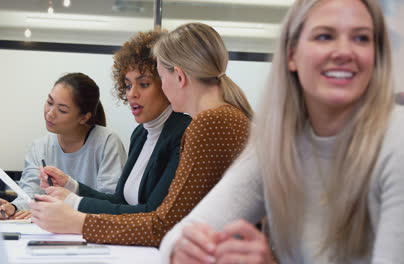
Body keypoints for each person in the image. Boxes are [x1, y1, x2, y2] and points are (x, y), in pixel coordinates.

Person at [161, 0, 404, 263]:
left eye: (361, 38)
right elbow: (179, 235)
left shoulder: (396, 142)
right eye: (325, 36)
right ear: (291, 55)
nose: (344, 51)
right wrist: (182, 253)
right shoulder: (277, 140)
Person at [29, 22, 252, 247]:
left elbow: (163, 224)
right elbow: (146, 211)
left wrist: (78, 221)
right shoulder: (222, 118)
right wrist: (73, 191)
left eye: (158, 79)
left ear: (180, 77)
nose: (133, 94)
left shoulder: (210, 123)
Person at [35, 30, 191, 215]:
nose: (132, 93)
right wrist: (71, 186)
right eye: (127, 85)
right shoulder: (141, 133)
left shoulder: (182, 133)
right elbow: (121, 202)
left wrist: (73, 202)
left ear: (166, 83)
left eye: (144, 84)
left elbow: (152, 213)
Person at [0, 73, 126, 219]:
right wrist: (13, 207)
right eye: (49, 102)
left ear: (84, 117)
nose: (50, 114)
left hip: (92, 228)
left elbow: (112, 201)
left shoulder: (107, 142)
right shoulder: (40, 147)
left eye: (62, 110)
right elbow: (30, 194)